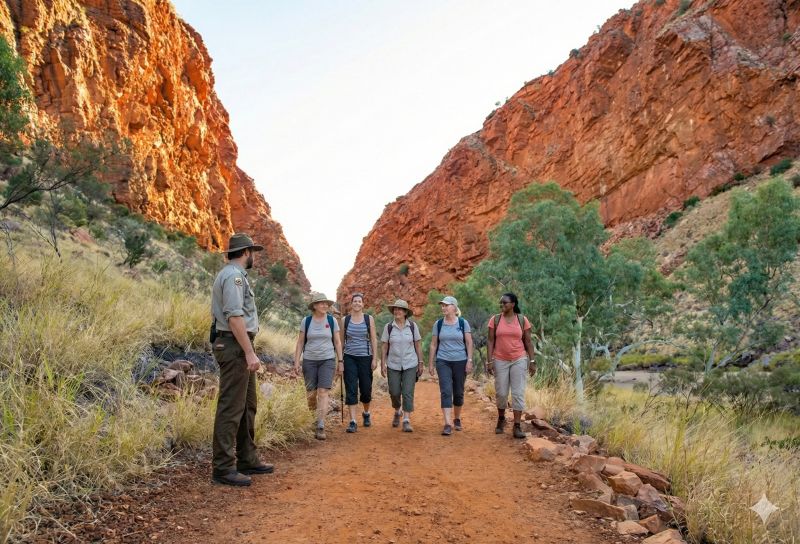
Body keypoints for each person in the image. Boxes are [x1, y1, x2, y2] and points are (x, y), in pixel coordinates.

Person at [210, 233, 274, 486]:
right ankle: (223, 468)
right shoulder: (234, 277)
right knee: (231, 407)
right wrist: (249, 352)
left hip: (237, 344)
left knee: (247, 406)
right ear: (246, 252)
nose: (253, 257)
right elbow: (235, 317)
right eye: (253, 253)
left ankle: (247, 458)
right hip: (235, 344)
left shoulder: (233, 276)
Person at [294, 293, 343, 440]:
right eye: (321, 303)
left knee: (323, 391)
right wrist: (296, 361)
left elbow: (337, 342)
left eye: (326, 304)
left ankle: (321, 425)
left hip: (327, 360)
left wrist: (340, 361)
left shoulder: (332, 320)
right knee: (311, 394)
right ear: (314, 306)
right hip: (309, 361)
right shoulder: (306, 321)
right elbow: (300, 342)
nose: (325, 306)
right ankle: (313, 419)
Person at [487, 292, 537, 439]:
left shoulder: (522, 320)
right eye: (501, 303)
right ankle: (501, 418)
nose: (502, 305)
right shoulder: (495, 320)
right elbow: (490, 341)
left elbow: (528, 342)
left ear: (513, 304)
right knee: (501, 392)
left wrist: (532, 361)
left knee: (517, 393)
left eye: (505, 303)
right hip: (500, 359)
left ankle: (517, 426)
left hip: (519, 359)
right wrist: (489, 361)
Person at [428, 296, 474, 436]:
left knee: (458, 392)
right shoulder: (439, 324)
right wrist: (431, 363)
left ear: (454, 307)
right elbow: (433, 344)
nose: (443, 308)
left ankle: (457, 418)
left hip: (460, 360)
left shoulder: (462, 322)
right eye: (442, 305)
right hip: (443, 361)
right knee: (446, 391)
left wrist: (469, 360)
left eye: (446, 305)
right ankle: (447, 423)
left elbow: (469, 343)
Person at [380, 299, 423, 432]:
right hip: (393, 364)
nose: (397, 311)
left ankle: (406, 420)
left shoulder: (412, 326)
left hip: (410, 363)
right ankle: (397, 410)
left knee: (407, 392)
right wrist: (382, 363)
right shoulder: (389, 327)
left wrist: (421, 362)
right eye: (395, 309)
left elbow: (417, 344)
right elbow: (384, 346)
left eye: (400, 309)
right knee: (394, 391)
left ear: (405, 312)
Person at [341, 293, 378, 433]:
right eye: (354, 301)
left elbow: (374, 339)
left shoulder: (369, 319)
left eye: (359, 301)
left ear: (363, 304)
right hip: (349, 357)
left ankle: (366, 413)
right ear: (351, 304)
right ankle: (353, 421)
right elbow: (341, 341)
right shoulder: (345, 320)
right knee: (351, 388)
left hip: (366, 357)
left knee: (366, 389)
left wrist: (375, 358)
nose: (357, 303)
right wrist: (340, 360)